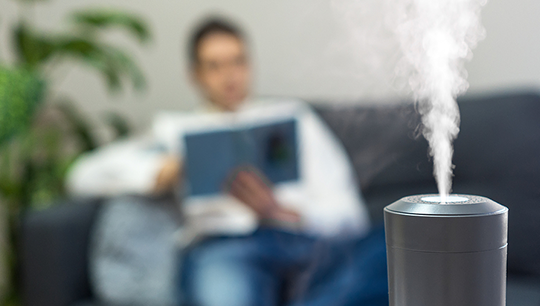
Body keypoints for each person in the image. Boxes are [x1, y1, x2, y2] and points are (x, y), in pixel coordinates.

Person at [67, 17, 388, 306]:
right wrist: (158, 172)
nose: (229, 75)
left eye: (238, 62)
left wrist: (280, 212)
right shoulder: (176, 131)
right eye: (214, 66)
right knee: (223, 287)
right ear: (194, 74)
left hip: (305, 242)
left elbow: (351, 216)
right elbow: (81, 175)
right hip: (224, 248)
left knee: (386, 251)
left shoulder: (294, 118)